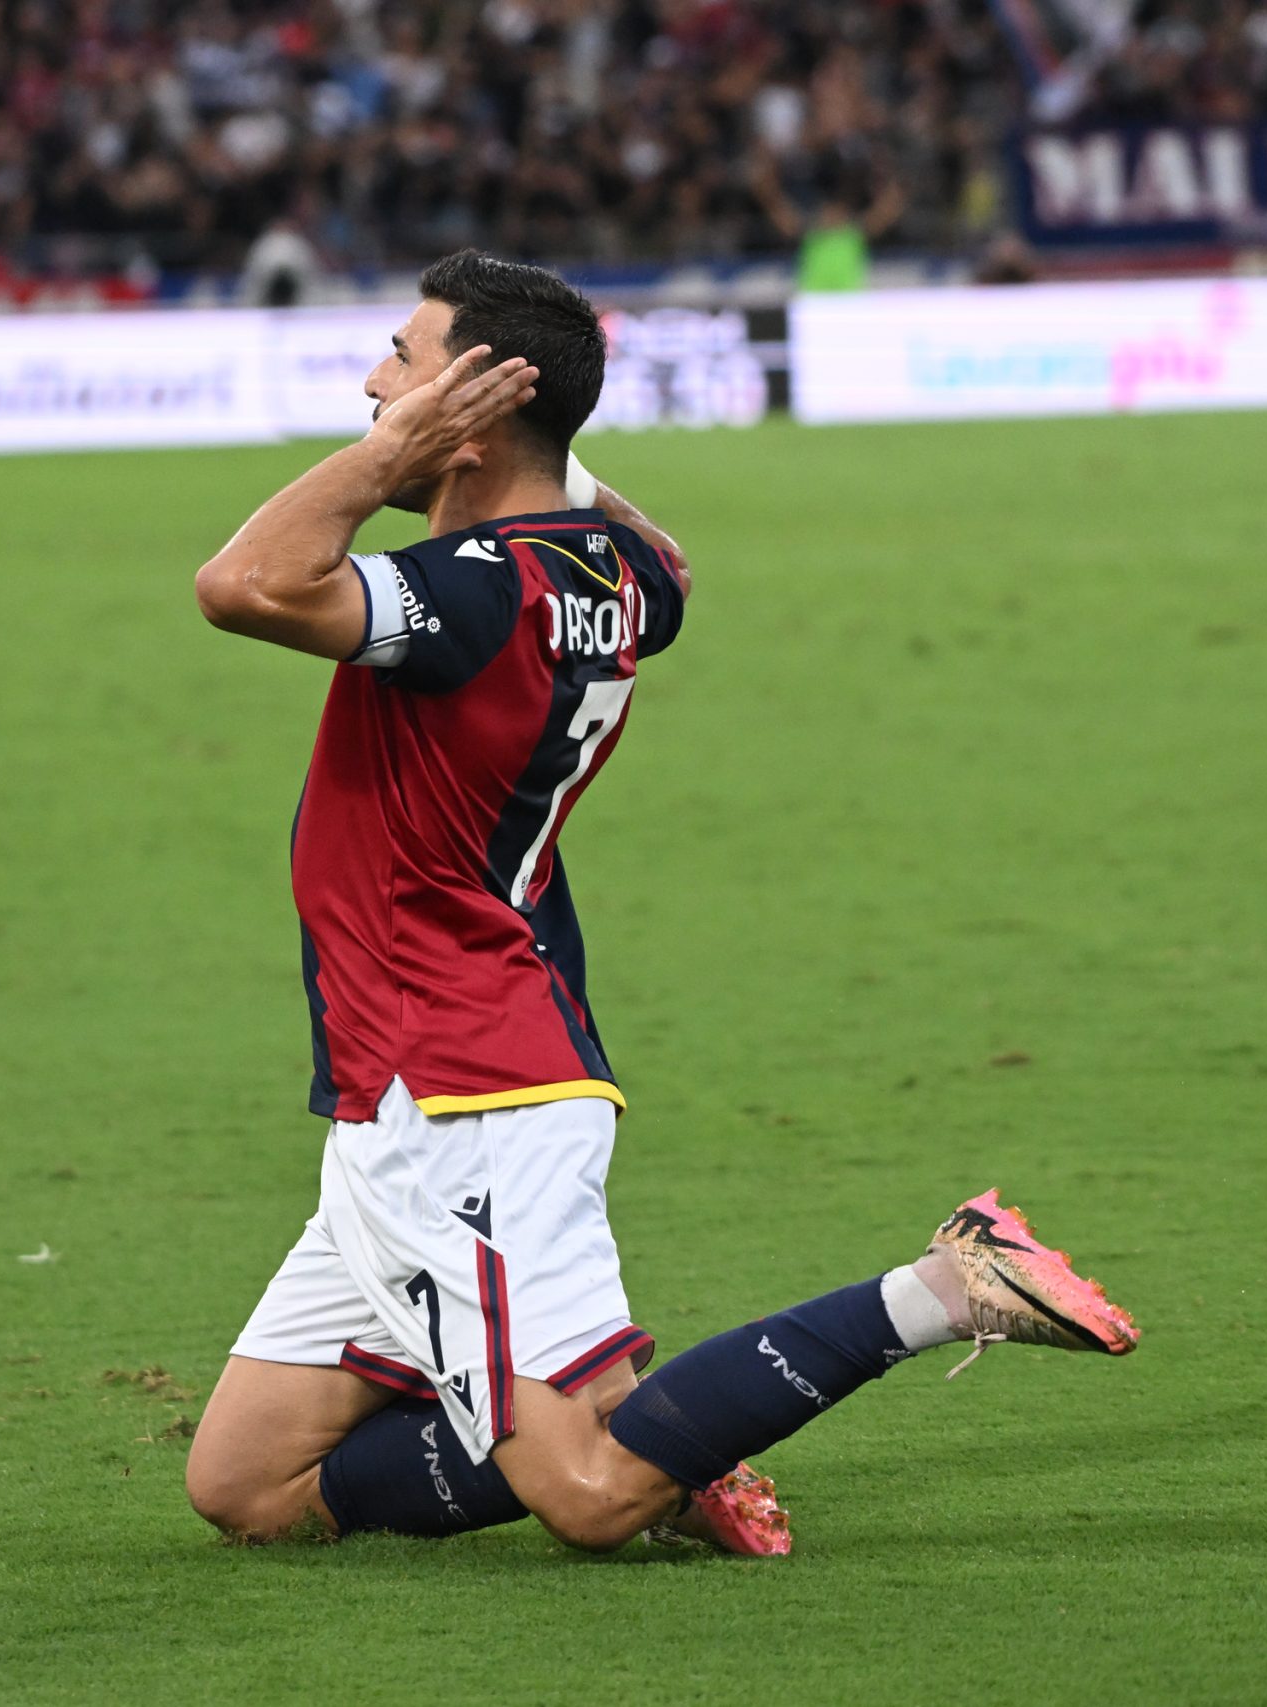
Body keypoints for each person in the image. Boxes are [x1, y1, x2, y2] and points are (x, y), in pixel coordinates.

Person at [184, 250, 1140, 1558]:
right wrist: (524, 452)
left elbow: (240, 585)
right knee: (247, 1485)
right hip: (403, 1079)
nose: (374, 384)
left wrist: (389, 456)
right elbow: (662, 551)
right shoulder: (615, 576)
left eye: (401, 362)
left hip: (464, 1089)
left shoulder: (474, 596)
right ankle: (664, 1434)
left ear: (468, 409)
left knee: (585, 1497)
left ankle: (945, 1285)